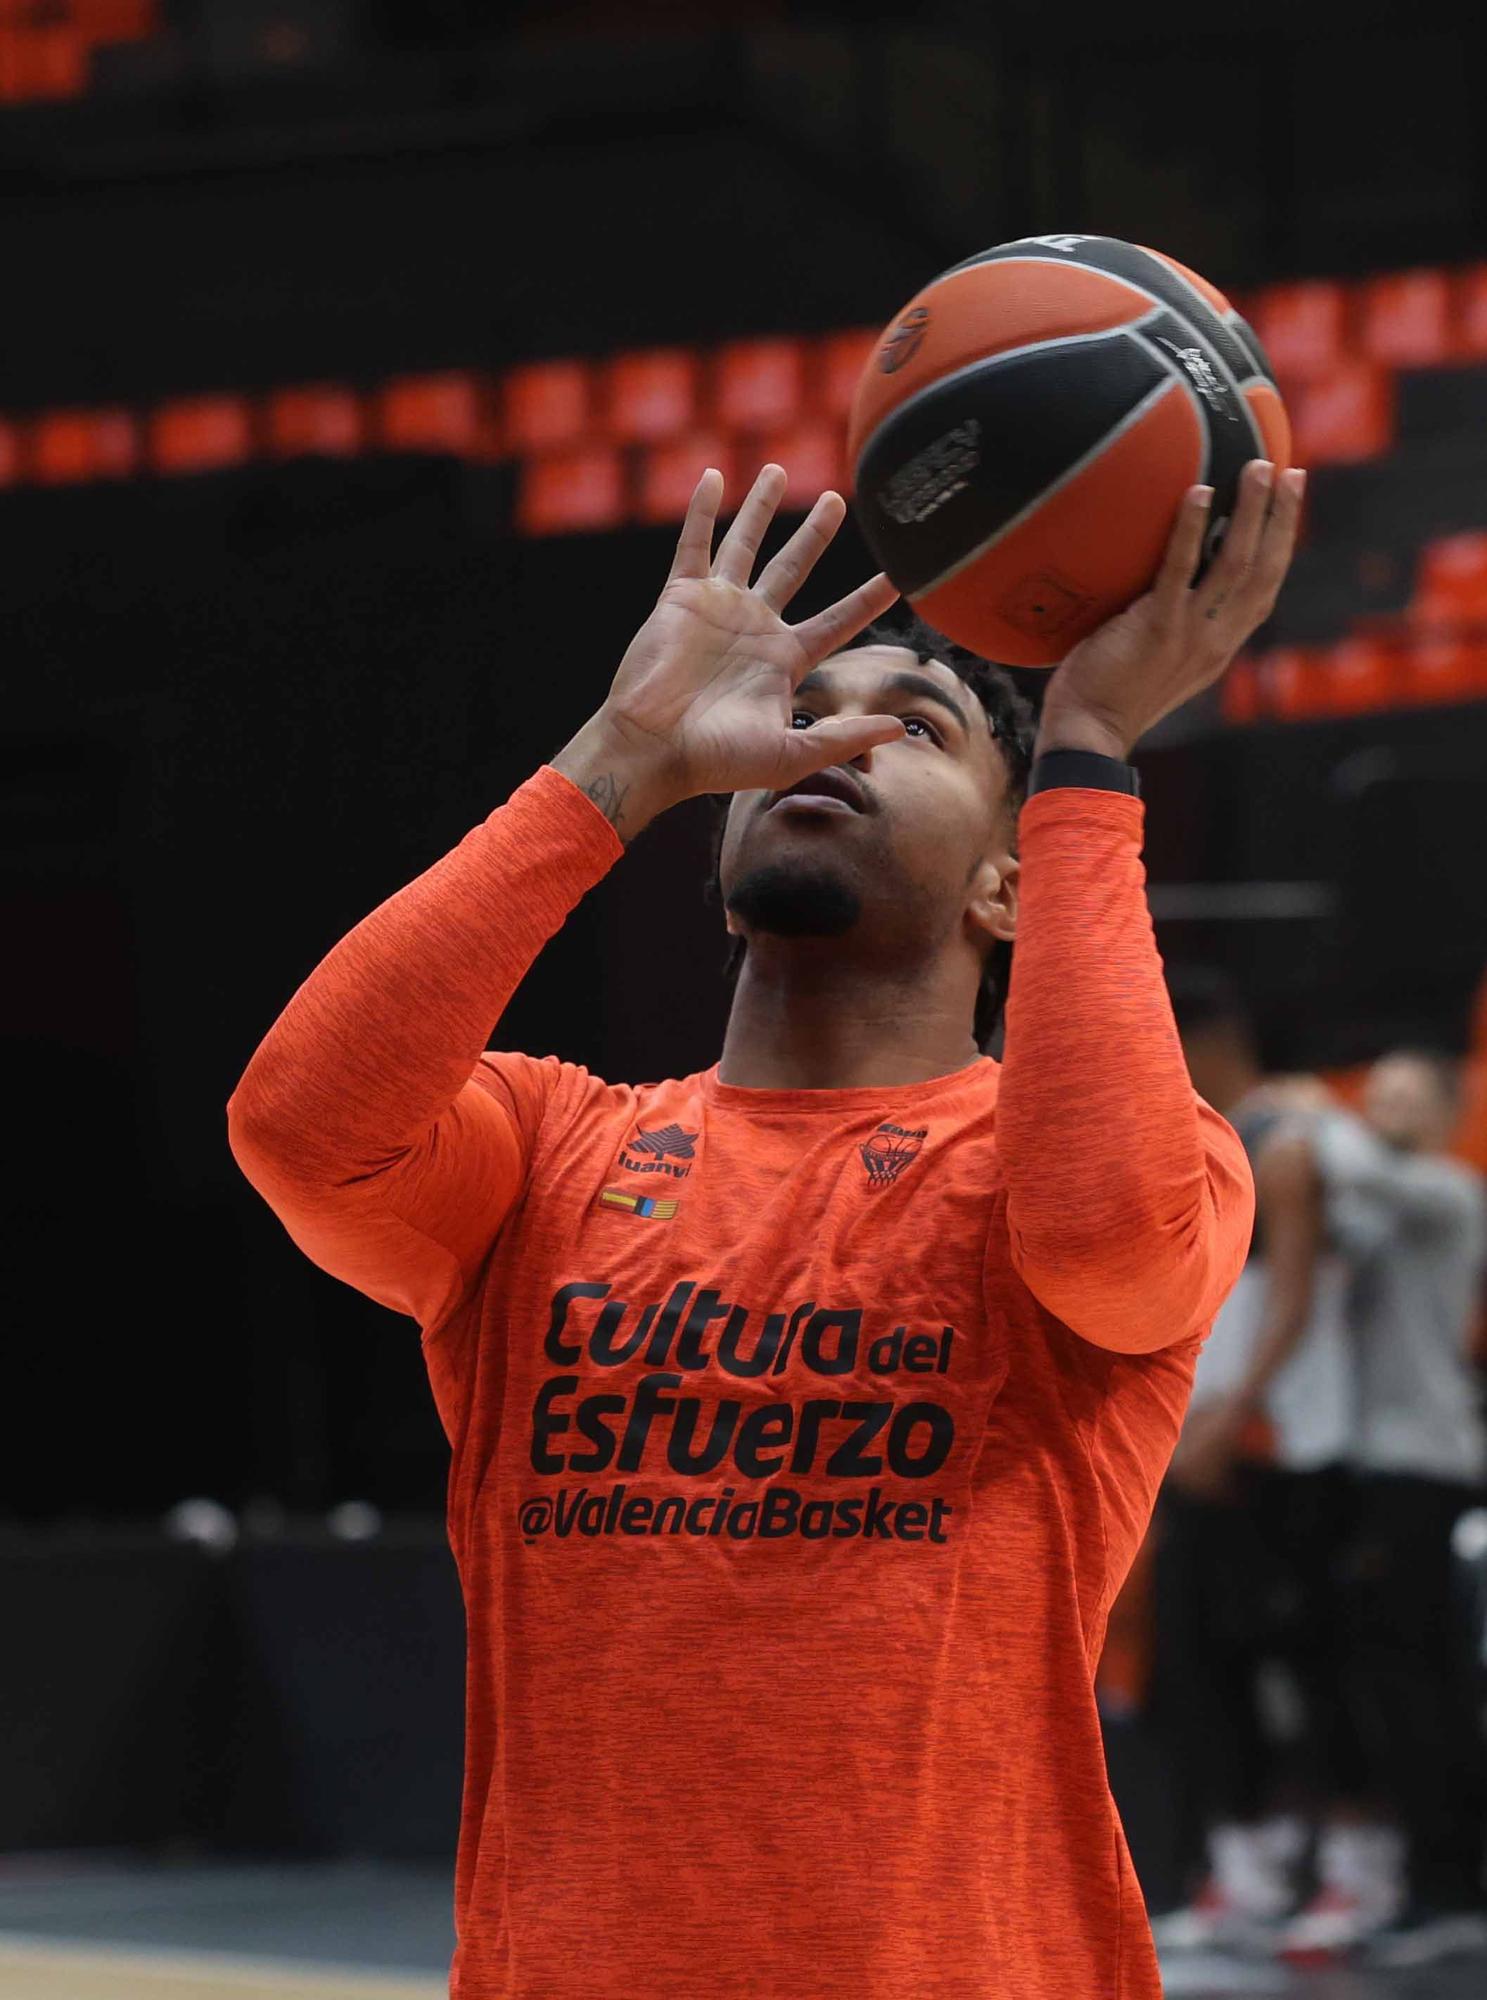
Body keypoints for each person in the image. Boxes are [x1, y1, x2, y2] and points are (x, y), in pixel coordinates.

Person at [227, 455, 1302, 1999]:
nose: (838, 735)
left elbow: (1107, 1236)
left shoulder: (1090, 1162)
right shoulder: (550, 1149)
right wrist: (622, 754)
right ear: (718, 869)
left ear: (1009, 883)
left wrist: (1085, 758)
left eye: (913, 725)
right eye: (804, 715)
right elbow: (299, 1128)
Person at [1152, 975, 1368, 1952]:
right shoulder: (1200, 1134)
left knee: (1314, 1664)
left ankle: (1350, 1870)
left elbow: (1291, 1300)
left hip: (1280, 1442)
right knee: (1200, 1654)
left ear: (1203, 1035)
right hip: (1204, 1433)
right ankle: (1243, 1870)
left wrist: (1234, 1412)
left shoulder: (1285, 1133)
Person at [1311, 1050, 1487, 1965]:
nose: (1379, 1108)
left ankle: (1449, 1889)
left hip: (1424, 1464)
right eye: (1370, 1093)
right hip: (1375, 1464)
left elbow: (1350, 1167)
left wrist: (1310, 1113)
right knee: (1384, 1684)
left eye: (1402, 1097)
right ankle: (1416, 1882)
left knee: (1418, 1688)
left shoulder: (1450, 1192)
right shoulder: (1377, 1202)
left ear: (1448, 1112)